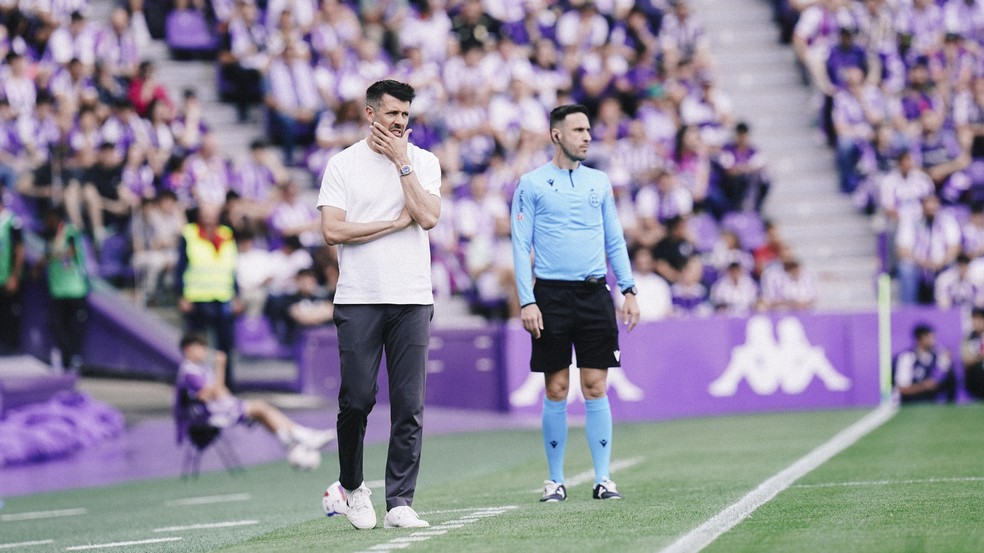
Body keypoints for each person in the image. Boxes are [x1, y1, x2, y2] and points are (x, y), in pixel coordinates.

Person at [317, 80, 441, 530]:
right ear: (370, 114)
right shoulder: (343, 164)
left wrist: (402, 164)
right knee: (357, 399)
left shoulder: (423, 162)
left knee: (409, 404)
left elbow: (427, 217)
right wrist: (390, 223)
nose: (400, 122)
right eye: (392, 114)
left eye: (406, 115)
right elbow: (332, 230)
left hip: (412, 297)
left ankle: (401, 501)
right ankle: (352, 486)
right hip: (359, 298)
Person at [510, 104, 640, 503]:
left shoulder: (599, 182)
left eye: (589, 129)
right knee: (557, 387)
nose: (587, 136)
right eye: (579, 130)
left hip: (593, 293)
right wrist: (527, 300)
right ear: (556, 135)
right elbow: (519, 245)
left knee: (595, 385)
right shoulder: (531, 184)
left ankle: (604, 479)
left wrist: (629, 289)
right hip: (550, 295)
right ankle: (555, 481)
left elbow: (614, 239)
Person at [176, 332, 335, 466]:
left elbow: (221, 392)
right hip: (206, 417)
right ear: (188, 349)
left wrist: (222, 392)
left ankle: (294, 441)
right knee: (260, 407)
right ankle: (301, 438)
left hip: (220, 409)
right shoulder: (189, 372)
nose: (204, 351)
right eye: (200, 347)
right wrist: (221, 367)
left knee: (261, 411)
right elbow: (213, 393)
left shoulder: (201, 369)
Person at [175, 203, 242, 389]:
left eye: (212, 214)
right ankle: (197, 384)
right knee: (197, 345)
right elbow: (181, 266)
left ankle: (226, 385)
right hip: (197, 297)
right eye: (205, 214)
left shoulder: (227, 234)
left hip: (223, 296)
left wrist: (236, 295)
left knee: (225, 345)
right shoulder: (189, 233)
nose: (209, 218)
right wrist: (181, 294)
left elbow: (232, 268)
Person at [39, 206, 90, 372]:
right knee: (57, 326)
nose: (48, 222)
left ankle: (73, 359)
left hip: (75, 289)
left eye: (50, 218)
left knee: (74, 327)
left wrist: (50, 256)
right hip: (57, 290)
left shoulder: (71, 232)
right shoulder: (49, 236)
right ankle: (66, 358)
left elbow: (72, 251)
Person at [892, 323, 957, 404]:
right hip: (911, 398)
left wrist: (947, 359)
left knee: (951, 376)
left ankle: (949, 406)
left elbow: (942, 372)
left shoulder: (936, 354)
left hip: (929, 394)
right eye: (930, 337)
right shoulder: (907, 358)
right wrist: (923, 386)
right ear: (921, 338)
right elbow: (902, 388)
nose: (933, 341)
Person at [0, 194, 25, 353]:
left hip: (7, 278)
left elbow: (19, 250)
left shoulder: (12, 222)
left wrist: (14, 276)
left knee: (8, 317)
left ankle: (9, 351)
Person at [961, 307, 984, 400]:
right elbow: (966, 361)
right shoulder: (968, 339)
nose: (976, 322)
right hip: (976, 375)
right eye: (974, 319)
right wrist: (980, 356)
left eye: (979, 319)